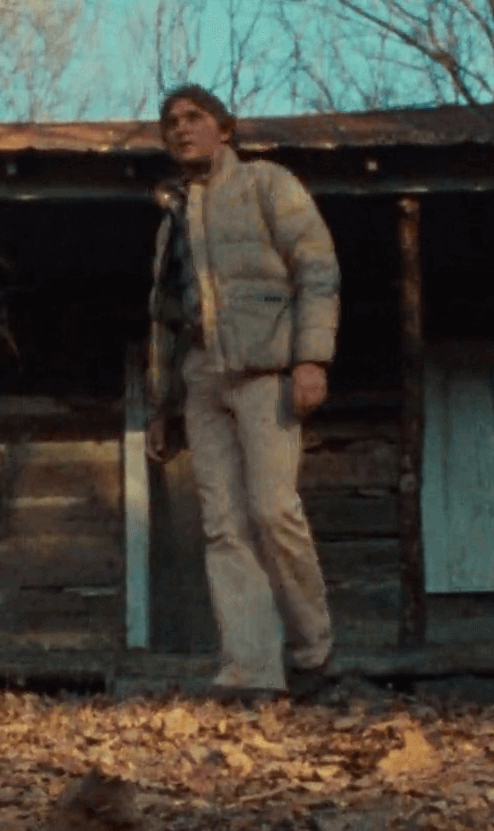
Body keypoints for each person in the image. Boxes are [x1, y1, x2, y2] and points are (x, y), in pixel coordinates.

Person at [145, 85, 340, 698]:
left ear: (224, 129)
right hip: (202, 380)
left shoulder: (267, 184)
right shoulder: (171, 219)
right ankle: (251, 671)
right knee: (224, 526)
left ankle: (313, 653)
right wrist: (161, 407)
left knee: (273, 510)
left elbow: (317, 268)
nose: (181, 129)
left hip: (265, 370)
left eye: (194, 117)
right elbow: (164, 322)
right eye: (171, 122)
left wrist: (311, 358)